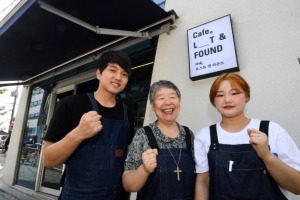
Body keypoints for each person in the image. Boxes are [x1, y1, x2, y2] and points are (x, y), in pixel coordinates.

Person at [42, 50, 135, 200]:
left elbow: (128, 158)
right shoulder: (71, 104)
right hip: (78, 195)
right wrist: (79, 133)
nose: (118, 77)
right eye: (113, 70)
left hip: (118, 195)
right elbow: (48, 160)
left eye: (124, 74)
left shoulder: (127, 113)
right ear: (98, 73)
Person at [194, 73, 300, 200]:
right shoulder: (204, 136)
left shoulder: (272, 130)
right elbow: (203, 182)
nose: (227, 99)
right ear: (213, 101)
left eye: (234, 93)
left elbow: (297, 187)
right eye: (220, 95)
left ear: (247, 96)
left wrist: (266, 155)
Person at [123, 80, 196, 200]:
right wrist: (144, 170)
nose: (167, 102)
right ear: (152, 105)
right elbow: (128, 185)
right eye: (161, 98)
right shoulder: (143, 135)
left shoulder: (188, 135)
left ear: (179, 102)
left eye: (172, 97)